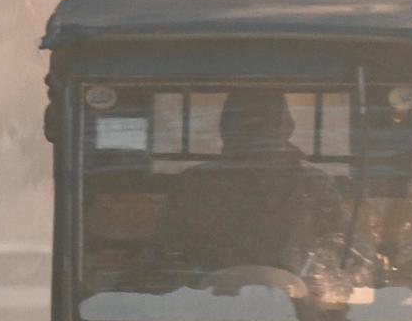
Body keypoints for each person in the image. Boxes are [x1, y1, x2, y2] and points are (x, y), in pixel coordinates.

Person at [145, 89, 353, 286]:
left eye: (265, 120)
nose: (255, 129)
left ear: (286, 127)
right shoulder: (195, 185)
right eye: (244, 120)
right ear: (225, 127)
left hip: (296, 314)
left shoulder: (314, 185)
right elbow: (165, 256)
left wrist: (320, 284)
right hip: (208, 311)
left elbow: (345, 254)